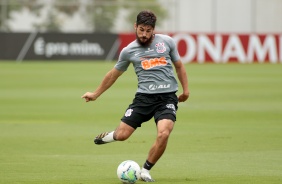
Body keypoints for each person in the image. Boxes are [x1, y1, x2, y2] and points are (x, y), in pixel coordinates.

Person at [81, 10, 189, 182]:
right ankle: (109, 136)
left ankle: (145, 170)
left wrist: (186, 91)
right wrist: (95, 94)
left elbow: (179, 66)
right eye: (141, 30)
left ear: (154, 29)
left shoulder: (167, 42)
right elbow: (113, 75)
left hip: (167, 98)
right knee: (122, 135)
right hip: (144, 98)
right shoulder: (128, 50)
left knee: (164, 134)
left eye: (148, 30)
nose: (144, 34)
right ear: (135, 27)